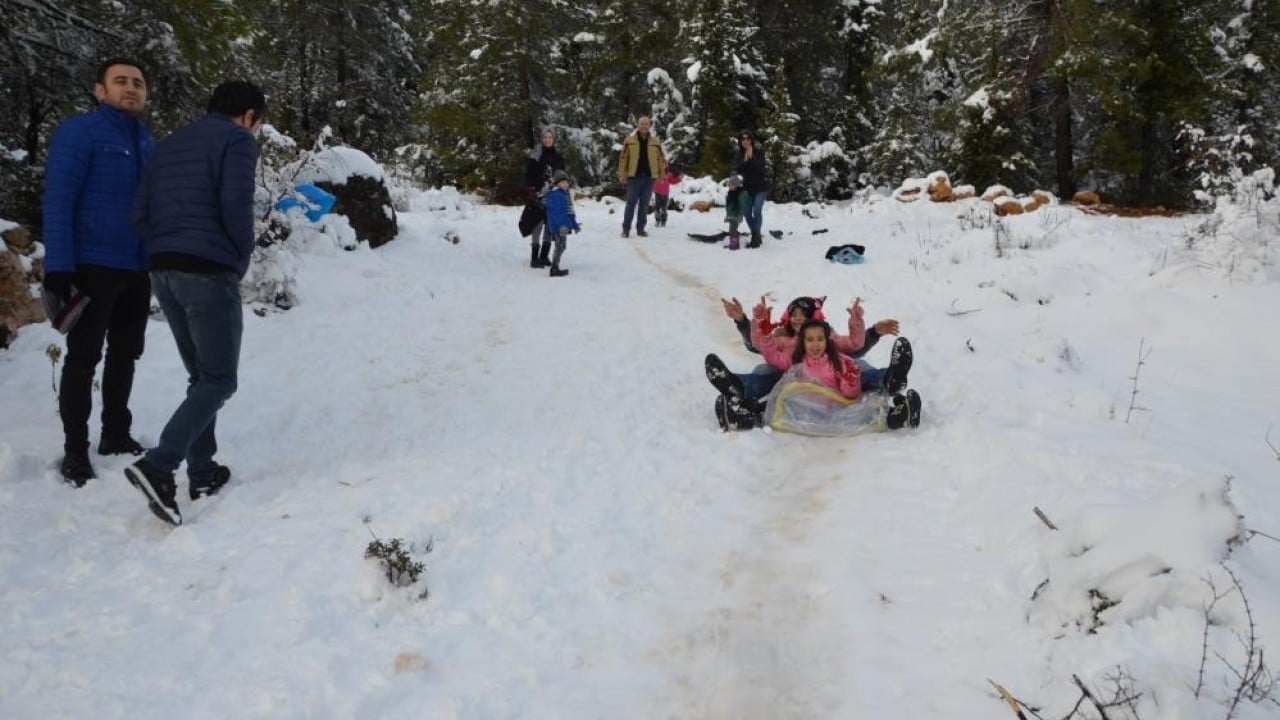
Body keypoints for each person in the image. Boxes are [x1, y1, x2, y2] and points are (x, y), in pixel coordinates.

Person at [123, 81, 266, 526]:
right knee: (220, 380)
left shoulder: (168, 146)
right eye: (256, 120)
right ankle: (159, 465)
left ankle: (202, 472)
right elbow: (236, 205)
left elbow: (139, 214)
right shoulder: (236, 141)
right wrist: (240, 256)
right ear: (247, 115)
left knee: (201, 376)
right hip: (207, 270)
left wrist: (167, 245)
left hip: (163, 269)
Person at [42, 58, 156, 486]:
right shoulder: (80, 132)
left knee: (127, 353)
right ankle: (76, 450)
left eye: (138, 83)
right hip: (91, 263)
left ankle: (116, 433)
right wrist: (58, 266)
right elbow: (58, 199)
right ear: (99, 90)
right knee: (84, 358)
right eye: (121, 81)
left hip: (135, 265)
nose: (131, 89)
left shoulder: (145, 139)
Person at [705, 296, 913, 429]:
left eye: (804, 316)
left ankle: (890, 378)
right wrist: (745, 321)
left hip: (829, 378)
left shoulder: (825, 338)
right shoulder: (781, 337)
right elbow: (759, 345)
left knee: (859, 368)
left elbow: (853, 346)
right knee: (766, 371)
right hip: (788, 377)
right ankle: (737, 387)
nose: (797, 319)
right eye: (793, 315)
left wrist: (873, 332)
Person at [521, 128, 565, 268]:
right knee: (538, 223)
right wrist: (530, 190)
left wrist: (562, 187)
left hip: (554, 193)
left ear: (554, 139)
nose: (547, 139)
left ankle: (544, 256)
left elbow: (562, 174)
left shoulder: (558, 156)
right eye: (545, 137)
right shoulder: (536, 154)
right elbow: (528, 174)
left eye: (550, 137)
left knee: (549, 224)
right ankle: (534, 258)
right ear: (542, 139)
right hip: (538, 193)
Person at [616, 116, 666, 238]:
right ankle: (626, 229)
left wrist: (661, 175)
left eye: (646, 124)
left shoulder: (655, 142)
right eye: (641, 123)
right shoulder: (630, 140)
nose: (644, 126)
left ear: (649, 126)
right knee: (631, 204)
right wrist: (622, 174)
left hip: (649, 178)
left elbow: (660, 159)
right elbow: (623, 159)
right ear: (638, 125)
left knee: (644, 205)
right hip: (634, 177)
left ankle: (640, 229)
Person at [541, 170, 580, 278]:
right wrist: (560, 226)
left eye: (566, 182)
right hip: (559, 226)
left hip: (563, 226)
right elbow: (555, 213)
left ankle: (555, 266)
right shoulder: (555, 195)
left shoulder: (564, 195)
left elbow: (569, 212)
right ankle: (554, 268)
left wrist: (575, 225)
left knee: (562, 247)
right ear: (557, 184)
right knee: (560, 246)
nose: (565, 184)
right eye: (562, 182)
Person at [734, 130, 768, 248]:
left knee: (757, 210)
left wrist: (751, 157)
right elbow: (737, 169)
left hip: (760, 187)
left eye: (748, 139)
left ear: (751, 140)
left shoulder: (759, 152)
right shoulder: (739, 154)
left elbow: (760, 168)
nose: (746, 141)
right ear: (740, 141)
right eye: (743, 139)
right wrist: (745, 160)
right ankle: (756, 234)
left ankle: (755, 237)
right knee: (747, 213)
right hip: (747, 188)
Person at [652, 161, 683, 227]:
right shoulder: (656, 173)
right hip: (657, 192)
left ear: (667, 166)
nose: (664, 165)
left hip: (665, 193)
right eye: (662, 164)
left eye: (665, 164)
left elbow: (673, 181)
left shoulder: (669, 174)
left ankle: (663, 221)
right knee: (657, 208)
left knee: (663, 208)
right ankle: (657, 221)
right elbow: (651, 180)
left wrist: (679, 178)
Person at [723, 175, 750, 250]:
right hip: (731, 215)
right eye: (729, 185)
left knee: (733, 229)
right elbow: (728, 205)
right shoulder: (730, 193)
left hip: (736, 215)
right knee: (731, 229)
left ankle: (735, 244)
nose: (729, 187)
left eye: (731, 185)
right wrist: (727, 216)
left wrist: (740, 215)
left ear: (736, 185)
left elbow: (742, 205)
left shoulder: (740, 194)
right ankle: (733, 242)